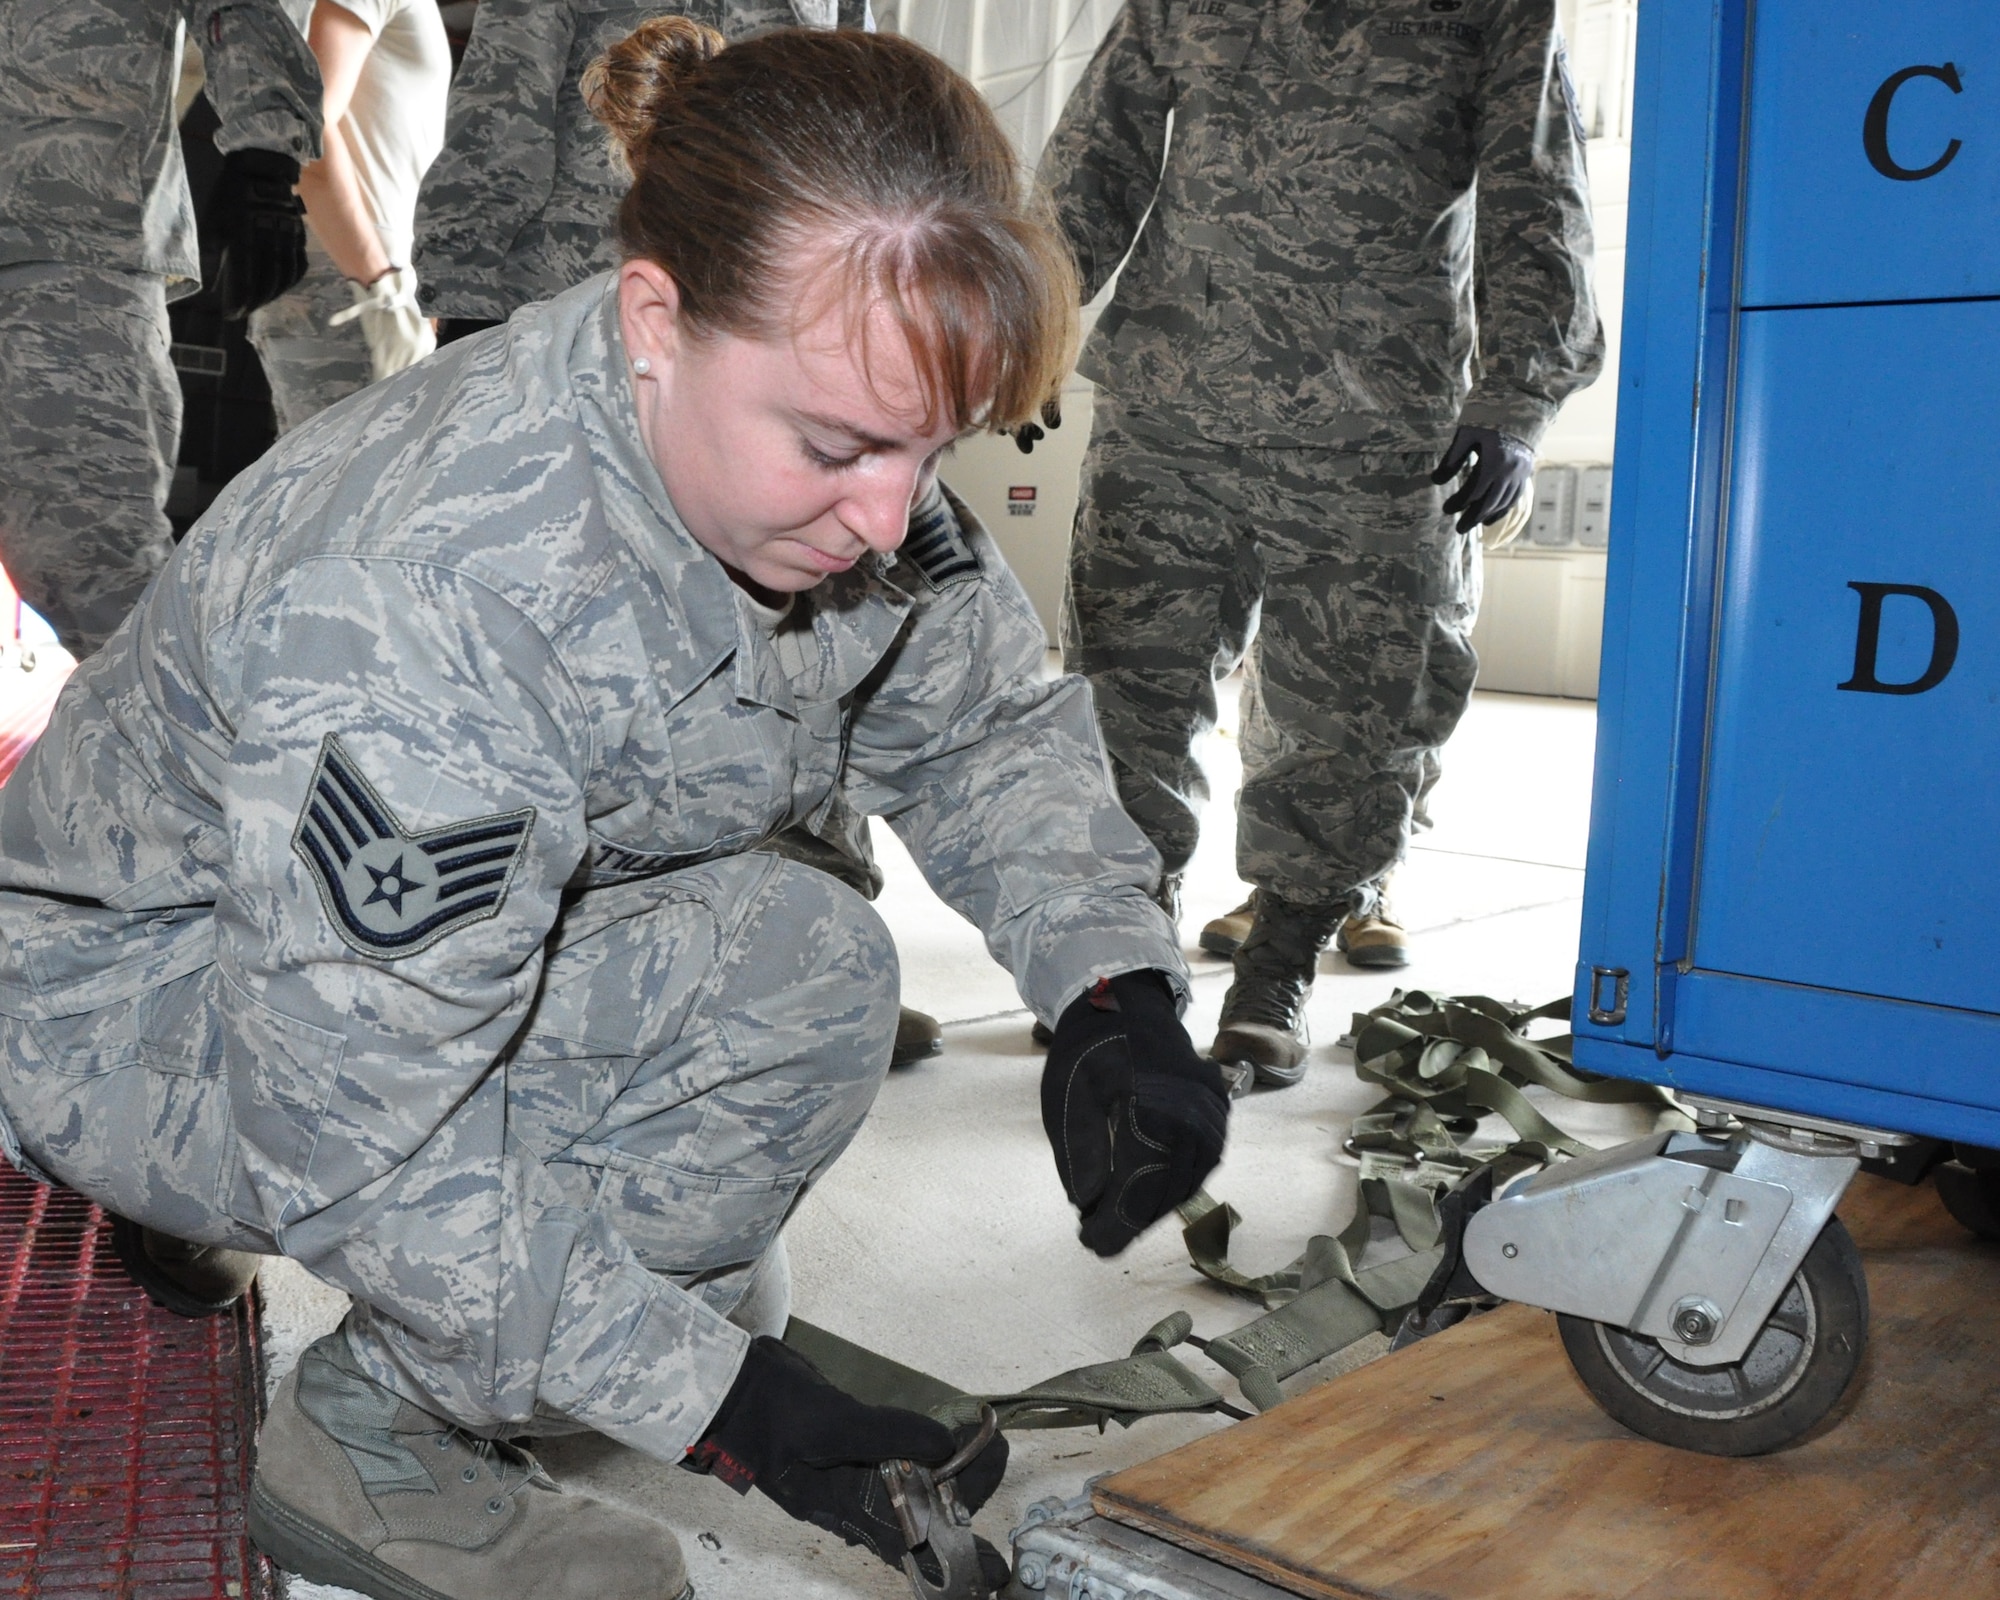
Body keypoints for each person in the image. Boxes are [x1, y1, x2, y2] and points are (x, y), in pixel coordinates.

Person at [0, 22, 1230, 1600]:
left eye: (928, 451)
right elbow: (368, 1151)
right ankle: (376, 1443)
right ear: (655, 317)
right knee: (799, 1001)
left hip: (357, 967)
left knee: (790, 969)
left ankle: (607, 1289)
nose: (889, 517)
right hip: (137, 1001)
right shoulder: (436, 606)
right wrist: (727, 1414)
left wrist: (1113, 993)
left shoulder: (790, 410)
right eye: (844, 448)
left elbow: (982, 716)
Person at [1039, 0, 1604, 1088]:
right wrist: (1027, 325)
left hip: (1378, 420)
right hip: (1170, 405)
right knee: (1126, 695)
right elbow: (1095, 153)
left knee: (1353, 707)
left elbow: (1536, 191)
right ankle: (1125, 962)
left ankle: (1278, 960)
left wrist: (1516, 394)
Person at [414, 0, 949, 1071]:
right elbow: (494, 127)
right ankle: (570, 968)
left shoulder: (792, 10)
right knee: (603, 679)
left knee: (807, 660)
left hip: (767, 367)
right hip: (605, 355)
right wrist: (467, 309)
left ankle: (802, 945)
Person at [0, 0, 323, 659]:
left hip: (70, 242)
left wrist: (267, 159)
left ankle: (177, 751)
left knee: (93, 565)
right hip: (65, 243)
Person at [247, 0, 451, 432]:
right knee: (349, 488)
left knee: (338, 488)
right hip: (353, 280)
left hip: (360, 275)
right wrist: (380, 288)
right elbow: (309, 128)